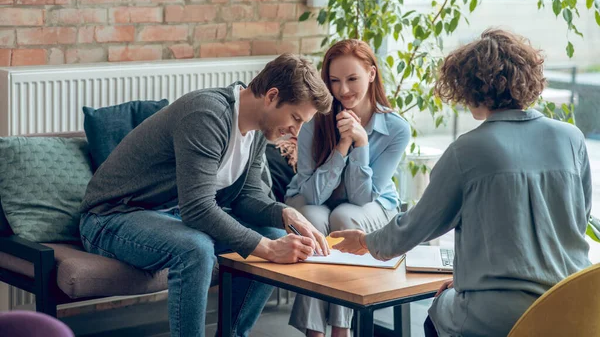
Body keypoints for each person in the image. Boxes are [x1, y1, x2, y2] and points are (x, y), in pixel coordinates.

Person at [330, 29, 592, 337]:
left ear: (469, 86)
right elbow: (578, 216)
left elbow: (413, 229)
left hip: (502, 316)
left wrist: (363, 241)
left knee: (438, 309)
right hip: (574, 304)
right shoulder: (572, 138)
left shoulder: (467, 150)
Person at [79, 54, 333, 337]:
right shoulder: (207, 114)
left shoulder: (259, 131)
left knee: (275, 233)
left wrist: (286, 213)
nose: (295, 131)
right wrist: (270, 250)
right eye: (296, 118)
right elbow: (198, 209)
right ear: (272, 96)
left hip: (167, 217)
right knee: (195, 248)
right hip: (110, 218)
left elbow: (247, 197)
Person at [285, 39, 411, 337]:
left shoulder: (396, 129)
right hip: (313, 201)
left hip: (372, 207)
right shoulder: (314, 121)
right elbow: (312, 194)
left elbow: (362, 196)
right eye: (334, 81)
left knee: (344, 218)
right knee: (313, 221)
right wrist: (342, 146)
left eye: (352, 79)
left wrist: (362, 144)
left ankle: (342, 329)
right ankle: (315, 333)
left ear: (371, 73)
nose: (343, 91)